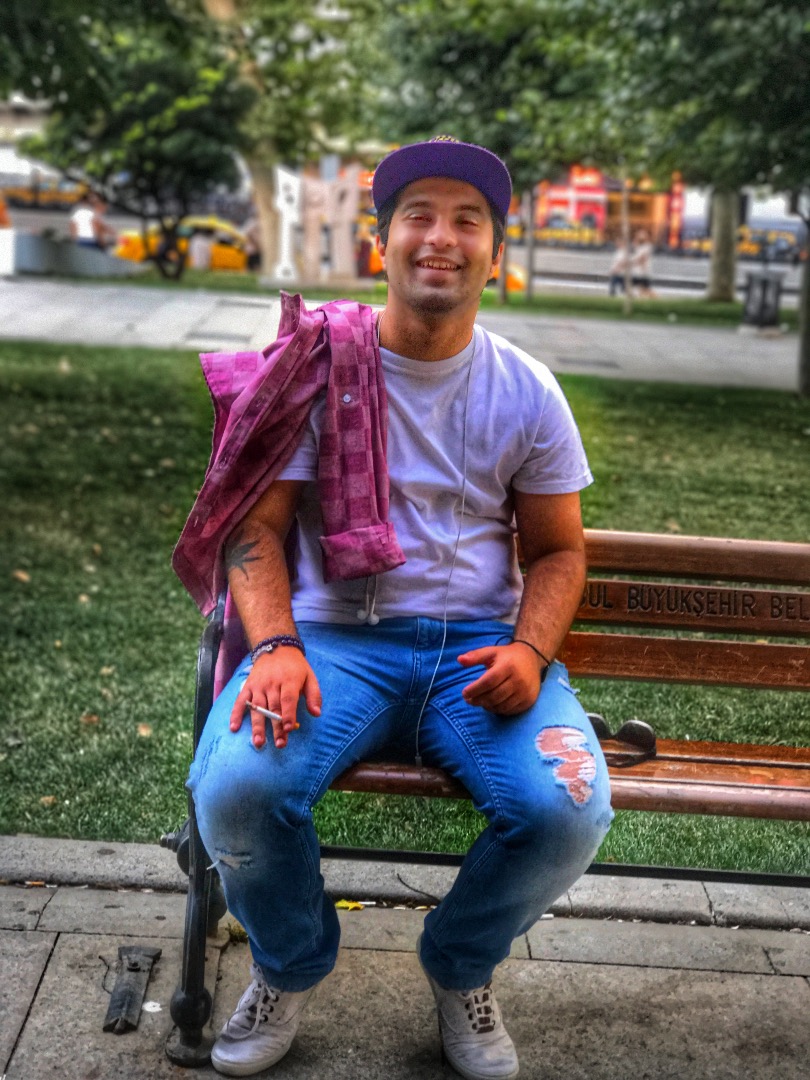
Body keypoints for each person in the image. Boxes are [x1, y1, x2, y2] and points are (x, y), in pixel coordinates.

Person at [185, 137, 613, 1080]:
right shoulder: (317, 373)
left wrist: (532, 652)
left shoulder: (529, 392)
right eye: (418, 216)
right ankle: (289, 965)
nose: (441, 238)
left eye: (468, 221)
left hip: (478, 654)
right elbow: (257, 532)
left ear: (495, 255)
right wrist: (275, 644)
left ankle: (460, 966)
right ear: (382, 244)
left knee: (568, 809)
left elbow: (557, 551)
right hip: (332, 643)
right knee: (237, 791)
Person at [630, 229, 656, 297]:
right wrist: (637, 237)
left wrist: (632, 263)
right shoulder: (639, 246)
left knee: (645, 289)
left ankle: (655, 297)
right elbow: (634, 243)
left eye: (642, 235)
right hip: (637, 272)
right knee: (639, 288)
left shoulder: (648, 246)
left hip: (643, 271)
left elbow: (642, 258)